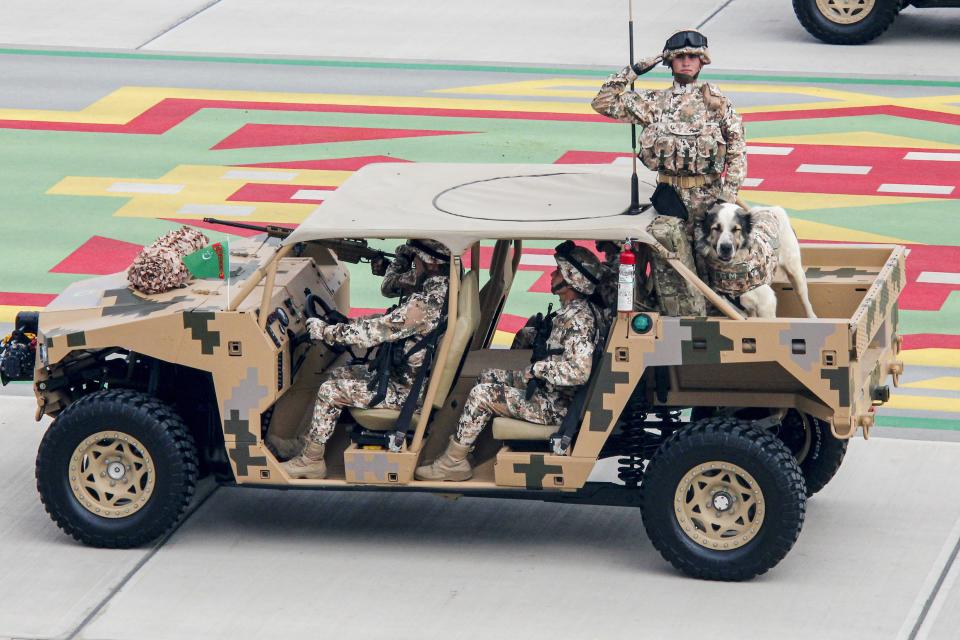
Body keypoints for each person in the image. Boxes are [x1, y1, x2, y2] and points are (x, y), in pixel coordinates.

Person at [591, 28, 747, 316]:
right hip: (669, 200)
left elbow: (737, 149)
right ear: (669, 63)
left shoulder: (716, 104)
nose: (686, 62)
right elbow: (603, 101)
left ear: (702, 62)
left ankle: (719, 325)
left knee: (714, 267)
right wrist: (637, 69)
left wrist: (728, 196)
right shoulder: (655, 102)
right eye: (679, 57)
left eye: (692, 57)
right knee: (668, 266)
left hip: (709, 200)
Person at [415, 243, 602, 482]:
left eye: (558, 271)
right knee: (487, 375)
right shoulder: (571, 313)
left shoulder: (579, 321)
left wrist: (537, 369)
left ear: (571, 281)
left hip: (554, 406)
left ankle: (453, 463)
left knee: (483, 395)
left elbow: (579, 371)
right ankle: (471, 448)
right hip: (547, 392)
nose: (552, 274)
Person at [281, 239, 451, 479]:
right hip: (407, 378)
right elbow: (389, 320)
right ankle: (308, 444)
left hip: (408, 392)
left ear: (428, 264)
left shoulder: (424, 304)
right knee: (340, 373)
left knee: (331, 390)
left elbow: (373, 334)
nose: (413, 265)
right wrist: (347, 324)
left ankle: (311, 462)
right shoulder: (440, 289)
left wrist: (327, 331)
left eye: (415, 260)